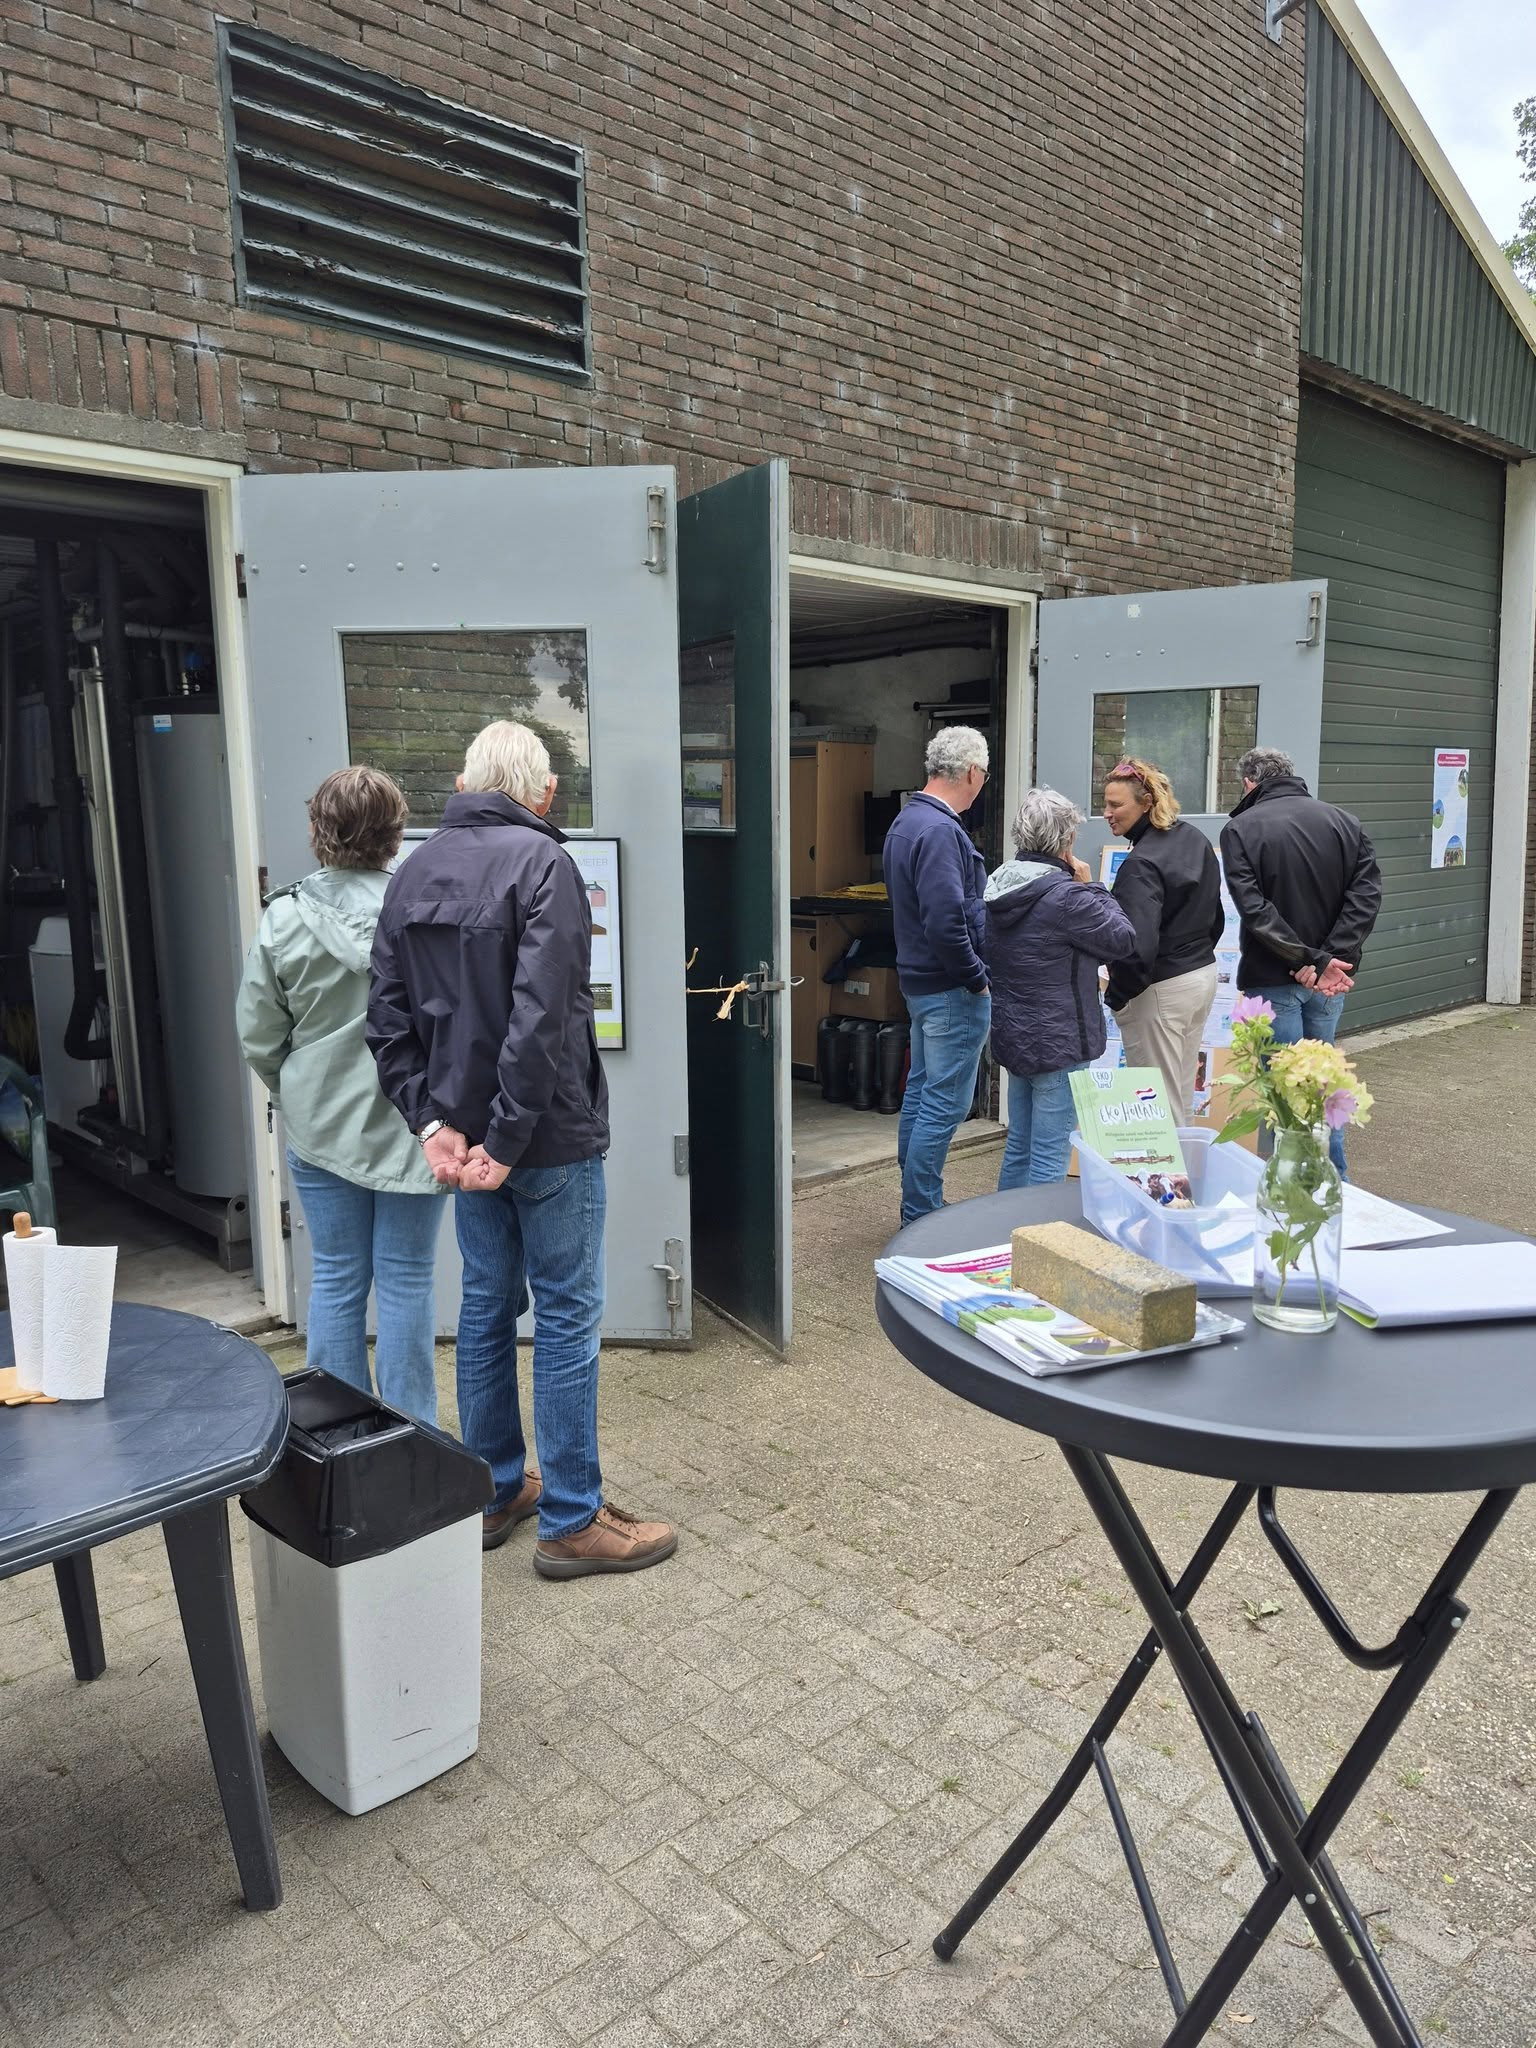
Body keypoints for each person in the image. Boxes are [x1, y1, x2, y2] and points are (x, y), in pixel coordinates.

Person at [367, 719, 677, 1576]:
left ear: (466, 782)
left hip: (469, 1146)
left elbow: (385, 1020)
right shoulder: (546, 864)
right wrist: (501, 1138)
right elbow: (543, 1020)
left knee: (484, 1307)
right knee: (567, 1315)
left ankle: (495, 1491)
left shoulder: (412, 871)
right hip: (542, 1139)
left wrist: (435, 1128)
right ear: (542, 792)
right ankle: (573, 1519)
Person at [236, 767, 445, 1425]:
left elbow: (259, 1034)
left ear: (317, 831)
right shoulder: (424, 913)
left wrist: (295, 1093)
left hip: (321, 1126)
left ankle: (337, 1435)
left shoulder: (283, 919)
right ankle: (413, 1439)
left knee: (334, 1275)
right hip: (417, 1126)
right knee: (407, 1279)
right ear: (395, 834)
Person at [1220, 745, 1382, 1174]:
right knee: (1326, 1086)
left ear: (1249, 783)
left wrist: (1310, 960)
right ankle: (1335, 1182)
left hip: (1275, 976)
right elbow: (1365, 897)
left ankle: (1287, 1186)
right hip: (1330, 982)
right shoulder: (1345, 822)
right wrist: (1332, 959)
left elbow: (1255, 910)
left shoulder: (1240, 829)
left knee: (1284, 1093)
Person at [984, 787, 1138, 1188]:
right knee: (1049, 1156)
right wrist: (1092, 886)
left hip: (1014, 1036)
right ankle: (1039, 1228)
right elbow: (1123, 939)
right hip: (1059, 1042)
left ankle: (1005, 1224)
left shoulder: (998, 886)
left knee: (1019, 1147)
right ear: (1067, 838)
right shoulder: (1068, 896)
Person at [882, 725, 991, 1224]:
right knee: (945, 1103)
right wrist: (976, 977)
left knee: (923, 1091)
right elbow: (946, 921)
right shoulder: (941, 831)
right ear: (971, 772)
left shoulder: (908, 821)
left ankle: (916, 1201)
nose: (983, 784)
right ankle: (921, 1212)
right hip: (950, 988)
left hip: (920, 983)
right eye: (984, 775)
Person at [1101, 757, 1225, 1118]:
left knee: (1155, 1109)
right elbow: (1215, 916)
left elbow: (1136, 948)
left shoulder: (1141, 863)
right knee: (1180, 1096)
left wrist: (1117, 997)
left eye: (1115, 805)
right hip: (1200, 977)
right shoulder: (1194, 838)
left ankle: (1167, 1159)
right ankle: (1183, 1156)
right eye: (1105, 803)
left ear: (1146, 803)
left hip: (1162, 988)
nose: (1106, 813)